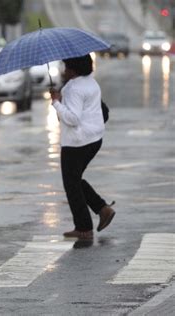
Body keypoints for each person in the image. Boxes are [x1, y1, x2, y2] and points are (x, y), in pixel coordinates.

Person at [50, 54, 115, 240]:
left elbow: (73, 118)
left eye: (66, 66)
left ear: (73, 69)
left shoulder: (73, 88)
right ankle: (103, 209)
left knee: (71, 184)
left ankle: (84, 227)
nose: (63, 70)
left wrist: (55, 102)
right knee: (75, 180)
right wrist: (61, 100)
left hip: (77, 142)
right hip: (94, 138)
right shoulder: (90, 82)